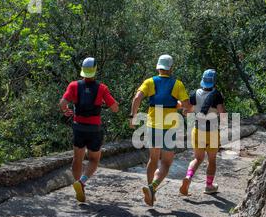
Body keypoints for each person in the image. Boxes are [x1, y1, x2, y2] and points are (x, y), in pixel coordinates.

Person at [130, 54, 191, 206]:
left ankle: (151, 192)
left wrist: (133, 116)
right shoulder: (177, 84)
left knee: (153, 159)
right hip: (169, 127)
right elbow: (186, 104)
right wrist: (183, 108)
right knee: (166, 162)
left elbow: (137, 98)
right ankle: (153, 187)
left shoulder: (149, 82)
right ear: (171, 68)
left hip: (152, 124)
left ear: (158, 67)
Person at [59, 57, 119, 203]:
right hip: (94, 129)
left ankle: (78, 182)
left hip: (78, 127)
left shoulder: (74, 86)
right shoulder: (102, 88)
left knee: (77, 158)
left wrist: (65, 110)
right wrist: (109, 102)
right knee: (94, 159)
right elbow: (115, 108)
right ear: (95, 70)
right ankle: (82, 182)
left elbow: (62, 102)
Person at [180, 69, 226, 196]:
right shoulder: (217, 95)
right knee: (212, 160)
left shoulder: (194, 94)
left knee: (197, 158)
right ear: (214, 81)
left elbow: (186, 111)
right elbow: (222, 113)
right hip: (212, 132)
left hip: (197, 130)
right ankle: (209, 186)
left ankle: (188, 177)